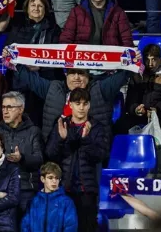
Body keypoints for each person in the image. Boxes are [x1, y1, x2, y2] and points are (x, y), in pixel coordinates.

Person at [46, 87, 110, 232]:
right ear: (70, 105)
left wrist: (86, 140)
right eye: (77, 103)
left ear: (89, 105)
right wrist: (61, 139)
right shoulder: (62, 125)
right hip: (64, 188)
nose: (81, 107)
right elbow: (50, 154)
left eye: (85, 103)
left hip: (87, 190)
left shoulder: (97, 127)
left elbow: (101, 155)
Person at [0, 92, 44, 215]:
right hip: (2, 188)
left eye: (9, 107)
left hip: (26, 188)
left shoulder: (33, 131)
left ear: (21, 109)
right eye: (3, 107)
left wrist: (22, 158)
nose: (5, 111)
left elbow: (39, 159)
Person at [60, 0, 134, 47]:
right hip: (83, 54)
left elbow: (127, 40)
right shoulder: (76, 12)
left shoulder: (119, 12)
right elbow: (65, 39)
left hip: (109, 53)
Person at [20, 162, 78, 232]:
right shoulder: (34, 202)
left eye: (57, 178)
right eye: (50, 178)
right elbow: (25, 225)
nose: (54, 181)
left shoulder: (67, 202)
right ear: (43, 179)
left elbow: (71, 227)